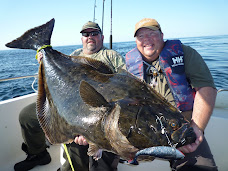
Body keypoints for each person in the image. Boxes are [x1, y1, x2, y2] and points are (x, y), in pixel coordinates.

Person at [14, 21, 125, 171]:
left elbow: (124, 85)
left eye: (94, 34)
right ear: (81, 38)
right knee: (27, 116)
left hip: (95, 112)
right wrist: (43, 61)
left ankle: (73, 166)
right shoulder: (73, 55)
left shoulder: (111, 56)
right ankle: (38, 154)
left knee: (72, 136)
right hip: (65, 104)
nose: (90, 37)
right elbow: (58, 80)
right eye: (86, 34)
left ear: (102, 37)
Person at [125, 18, 218, 171]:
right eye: (141, 36)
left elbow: (205, 87)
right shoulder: (129, 65)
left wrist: (197, 127)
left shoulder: (185, 53)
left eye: (151, 34)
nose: (146, 40)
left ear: (162, 35)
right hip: (146, 132)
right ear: (136, 41)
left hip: (181, 130)